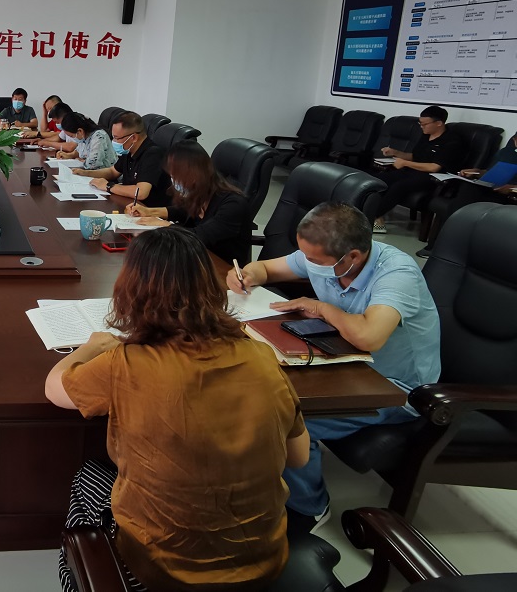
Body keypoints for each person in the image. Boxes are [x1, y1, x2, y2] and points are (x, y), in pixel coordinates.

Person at [47, 228, 309, 592]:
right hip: (263, 563)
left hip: (163, 572)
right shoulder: (262, 357)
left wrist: (90, 347)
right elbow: (298, 457)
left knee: (88, 478)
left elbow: (55, 389)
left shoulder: (125, 362)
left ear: (130, 291)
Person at [226, 202, 441, 533]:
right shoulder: (324, 254)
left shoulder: (397, 274)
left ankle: (310, 507)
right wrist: (246, 275)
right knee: (250, 384)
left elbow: (369, 336)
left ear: (352, 256)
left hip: (394, 387)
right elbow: (266, 268)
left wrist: (322, 308)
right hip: (342, 360)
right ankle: (263, 476)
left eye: (314, 260)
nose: (307, 263)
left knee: (285, 417)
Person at [126, 141, 252, 265]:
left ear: (195, 173)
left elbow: (200, 236)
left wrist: (164, 225)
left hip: (222, 268)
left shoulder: (233, 204)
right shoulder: (202, 193)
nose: (174, 180)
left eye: (177, 175)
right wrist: (149, 212)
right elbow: (183, 210)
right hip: (196, 258)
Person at [418, 128, 517, 257]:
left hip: (509, 196)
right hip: (490, 187)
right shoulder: (507, 153)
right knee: (466, 191)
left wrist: (512, 188)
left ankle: (443, 248)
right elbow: (490, 171)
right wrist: (476, 172)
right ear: (514, 140)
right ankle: (439, 246)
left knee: (463, 203)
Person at [373, 105, 462, 233]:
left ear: (439, 123)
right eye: (420, 123)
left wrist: (405, 163)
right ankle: (368, 212)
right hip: (413, 171)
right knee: (378, 180)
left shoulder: (452, 141)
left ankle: (373, 216)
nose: (421, 126)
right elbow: (415, 157)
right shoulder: (426, 135)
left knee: (399, 186)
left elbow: (434, 167)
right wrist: (396, 152)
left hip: (433, 177)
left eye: (425, 124)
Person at [71, 110, 169, 206]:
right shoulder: (129, 150)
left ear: (133, 138)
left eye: (117, 138)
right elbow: (113, 172)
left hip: (147, 209)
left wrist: (108, 186)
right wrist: (85, 173)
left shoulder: (153, 154)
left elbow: (141, 192)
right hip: (129, 204)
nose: (114, 141)